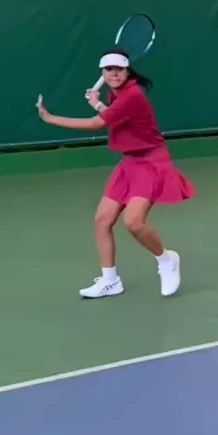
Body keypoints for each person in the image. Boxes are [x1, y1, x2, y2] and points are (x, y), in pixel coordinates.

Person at [36, 47, 195, 299]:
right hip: (129, 163)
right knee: (102, 220)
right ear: (102, 72)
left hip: (151, 162)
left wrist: (50, 118)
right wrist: (98, 103)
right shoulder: (117, 94)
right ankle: (110, 281)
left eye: (119, 69)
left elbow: (97, 123)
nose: (114, 74)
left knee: (133, 221)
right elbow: (117, 117)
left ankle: (167, 260)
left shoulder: (133, 95)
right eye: (109, 69)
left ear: (127, 71)